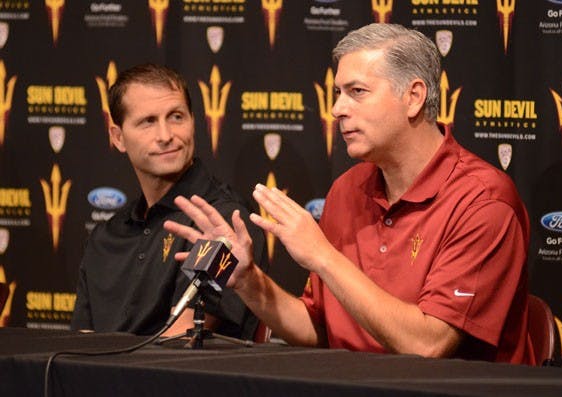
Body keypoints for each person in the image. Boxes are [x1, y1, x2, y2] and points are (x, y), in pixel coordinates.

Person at [164, 24, 534, 364]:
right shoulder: (347, 189)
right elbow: (318, 329)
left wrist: (323, 256)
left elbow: (428, 345)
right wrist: (247, 280)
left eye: (357, 92)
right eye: (338, 93)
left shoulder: (483, 201)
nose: (337, 109)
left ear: (414, 96)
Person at [71, 63, 267, 339]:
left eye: (176, 117)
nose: (165, 136)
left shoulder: (221, 224)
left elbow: (182, 339)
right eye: (148, 121)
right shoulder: (105, 238)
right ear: (118, 137)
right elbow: (81, 340)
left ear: (193, 122)